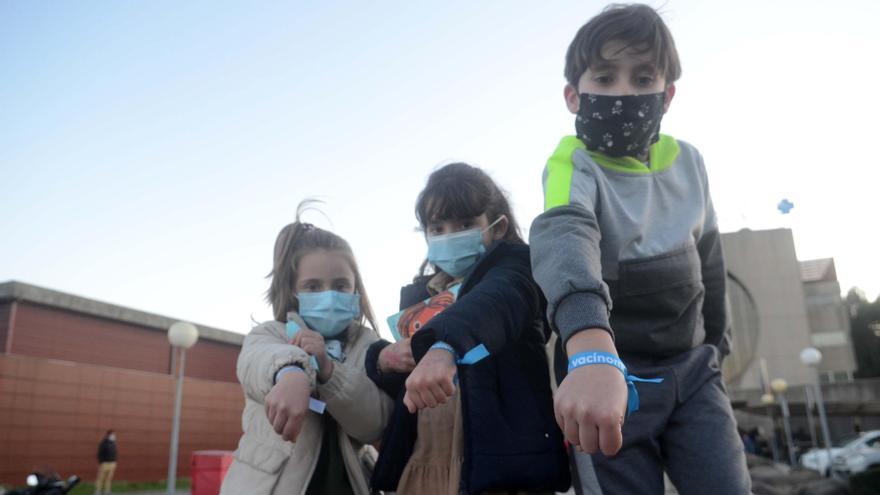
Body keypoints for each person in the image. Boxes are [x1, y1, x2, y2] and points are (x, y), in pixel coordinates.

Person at [528, 4, 751, 494]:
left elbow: (709, 257)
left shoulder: (689, 162)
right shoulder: (572, 163)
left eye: (642, 77)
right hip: (610, 377)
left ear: (666, 94)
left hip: (693, 372)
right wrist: (588, 349)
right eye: (604, 79)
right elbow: (565, 236)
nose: (623, 92)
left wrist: (717, 342)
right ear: (573, 96)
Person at [366, 163, 569, 494]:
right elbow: (404, 387)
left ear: (498, 227)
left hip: (499, 470)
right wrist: (382, 359)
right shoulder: (419, 296)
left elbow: (495, 301)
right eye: (438, 227)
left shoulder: (517, 270)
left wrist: (444, 344)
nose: (450, 235)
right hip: (422, 464)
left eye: (464, 224)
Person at [221, 202, 392, 495]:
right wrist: (292, 372)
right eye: (313, 286)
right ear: (293, 292)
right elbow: (257, 363)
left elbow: (374, 424)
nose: (328, 295)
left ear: (356, 290)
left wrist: (328, 370)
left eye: (340, 285)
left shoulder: (370, 346)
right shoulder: (269, 334)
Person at [95, 430, 117, 495]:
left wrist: (115, 461)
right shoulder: (104, 443)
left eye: (114, 435)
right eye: (113, 435)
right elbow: (100, 453)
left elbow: (115, 453)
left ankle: (107, 491)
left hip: (112, 463)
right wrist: (101, 462)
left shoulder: (113, 443)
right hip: (105, 463)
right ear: (109, 435)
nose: (114, 436)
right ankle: (98, 491)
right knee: (101, 478)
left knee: (109, 479)